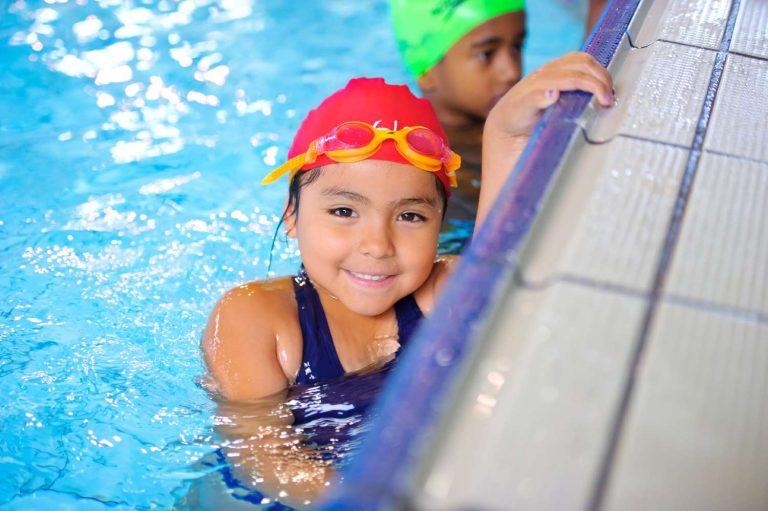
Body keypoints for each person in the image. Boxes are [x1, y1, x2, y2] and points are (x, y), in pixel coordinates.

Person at [201, 54, 613, 507]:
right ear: (292, 215)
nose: (378, 245)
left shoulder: (438, 291)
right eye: (344, 211)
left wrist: (504, 133)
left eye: (411, 215)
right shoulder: (255, 317)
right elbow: (262, 456)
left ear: (439, 224)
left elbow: (506, 278)